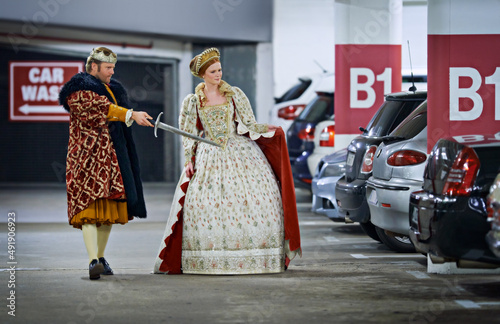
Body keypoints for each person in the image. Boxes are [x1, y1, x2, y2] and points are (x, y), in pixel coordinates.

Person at [153, 47, 301, 275]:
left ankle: (257, 257)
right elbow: (187, 132)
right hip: (208, 154)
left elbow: (249, 124)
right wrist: (189, 159)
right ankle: (209, 260)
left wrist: (267, 128)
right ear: (203, 74)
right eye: (213, 71)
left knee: (252, 200)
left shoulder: (234, 94)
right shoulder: (193, 101)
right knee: (205, 204)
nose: (218, 74)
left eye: (220, 69)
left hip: (240, 151)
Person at [59, 46, 153, 280]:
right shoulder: (79, 90)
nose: (112, 72)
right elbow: (97, 109)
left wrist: (128, 116)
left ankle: (100, 258)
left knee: (109, 211)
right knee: (89, 210)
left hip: (111, 161)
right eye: (108, 68)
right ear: (94, 67)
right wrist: (130, 114)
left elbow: (112, 115)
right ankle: (92, 260)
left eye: (113, 67)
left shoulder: (112, 90)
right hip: (87, 161)